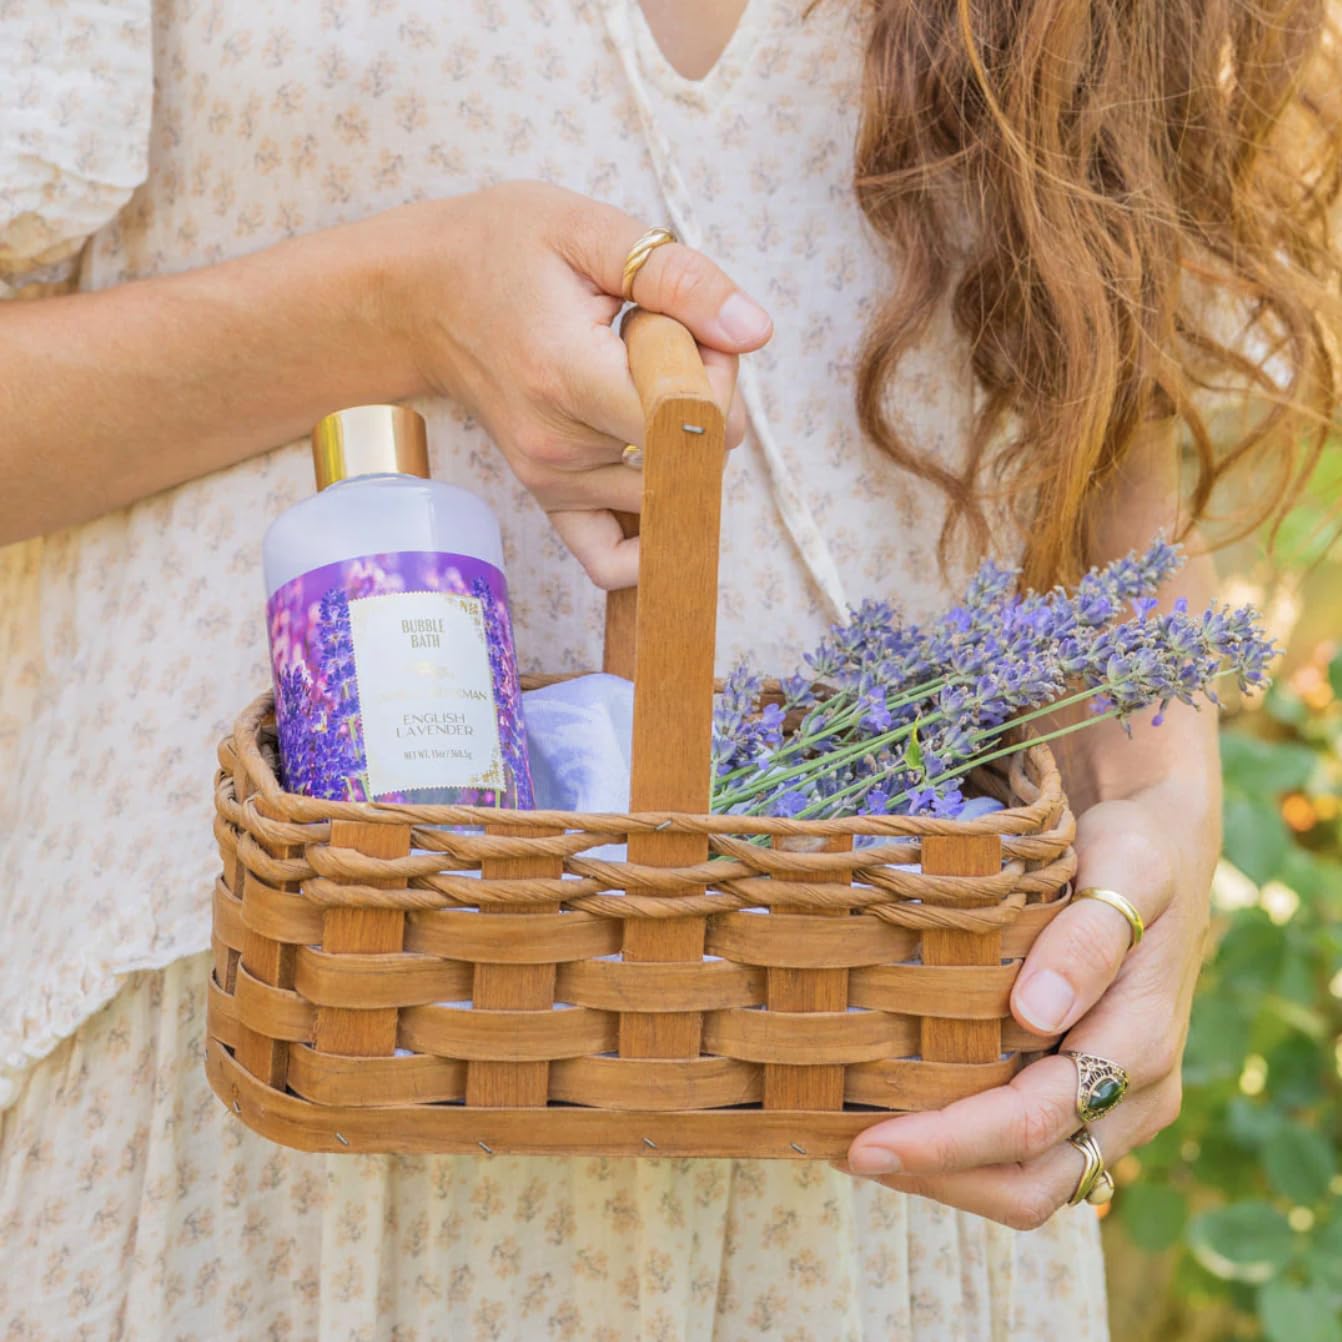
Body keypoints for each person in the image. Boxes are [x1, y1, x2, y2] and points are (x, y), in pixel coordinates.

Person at [0, 1, 1334, 1338]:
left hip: (864, 1169)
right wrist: (399, 304)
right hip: (269, 1121)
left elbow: (1098, 423)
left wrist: (1154, 789)